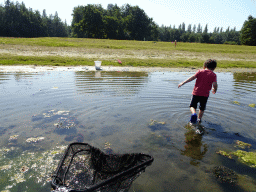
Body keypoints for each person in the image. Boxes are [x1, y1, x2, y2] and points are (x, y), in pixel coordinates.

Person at [178, 59, 218, 124]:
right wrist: (215, 89)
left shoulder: (200, 71)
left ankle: (194, 113)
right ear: (214, 68)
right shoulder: (213, 75)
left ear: (204, 66)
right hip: (205, 95)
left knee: (192, 106)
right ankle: (199, 119)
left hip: (196, 93)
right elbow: (215, 84)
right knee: (202, 108)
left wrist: (183, 82)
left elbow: (192, 78)